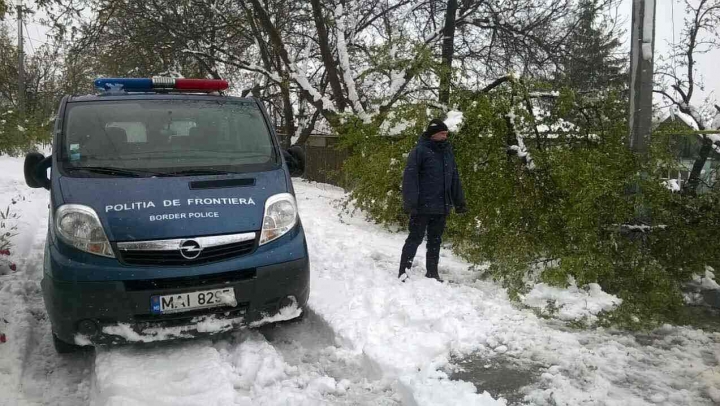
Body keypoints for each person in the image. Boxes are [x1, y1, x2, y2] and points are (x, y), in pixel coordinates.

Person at [398, 119, 466, 282]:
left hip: (441, 206)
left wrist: (459, 202)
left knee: (435, 241)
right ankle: (404, 271)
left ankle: (432, 273)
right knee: (415, 238)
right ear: (433, 134)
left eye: (446, 134)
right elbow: (410, 178)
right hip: (422, 206)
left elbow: (454, 179)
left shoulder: (447, 153)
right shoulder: (420, 151)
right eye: (442, 133)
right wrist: (411, 202)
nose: (445, 136)